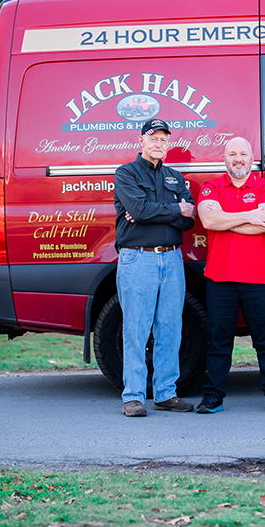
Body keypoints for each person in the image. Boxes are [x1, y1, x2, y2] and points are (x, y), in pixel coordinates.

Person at [195, 136, 265, 413]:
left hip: (259, 278)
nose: (238, 158)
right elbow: (209, 220)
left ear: (252, 159)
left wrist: (227, 219)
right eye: (233, 154)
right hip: (219, 277)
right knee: (218, 340)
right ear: (225, 158)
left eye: (244, 154)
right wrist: (249, 215)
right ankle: (213, 396)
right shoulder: (211, 187)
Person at [113, 118, 197, 417]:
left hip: (172, 259)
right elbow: (138, 210)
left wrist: (153, 212)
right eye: (153, 137)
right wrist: (174, 209)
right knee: (136, 329)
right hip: (138, 258)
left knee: (170, 329)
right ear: (141, 141)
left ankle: (165, 394)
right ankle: (133, 397)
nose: (159, 143)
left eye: (164, 139)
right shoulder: (126, 173)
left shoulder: (176, 177)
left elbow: (190, 219)